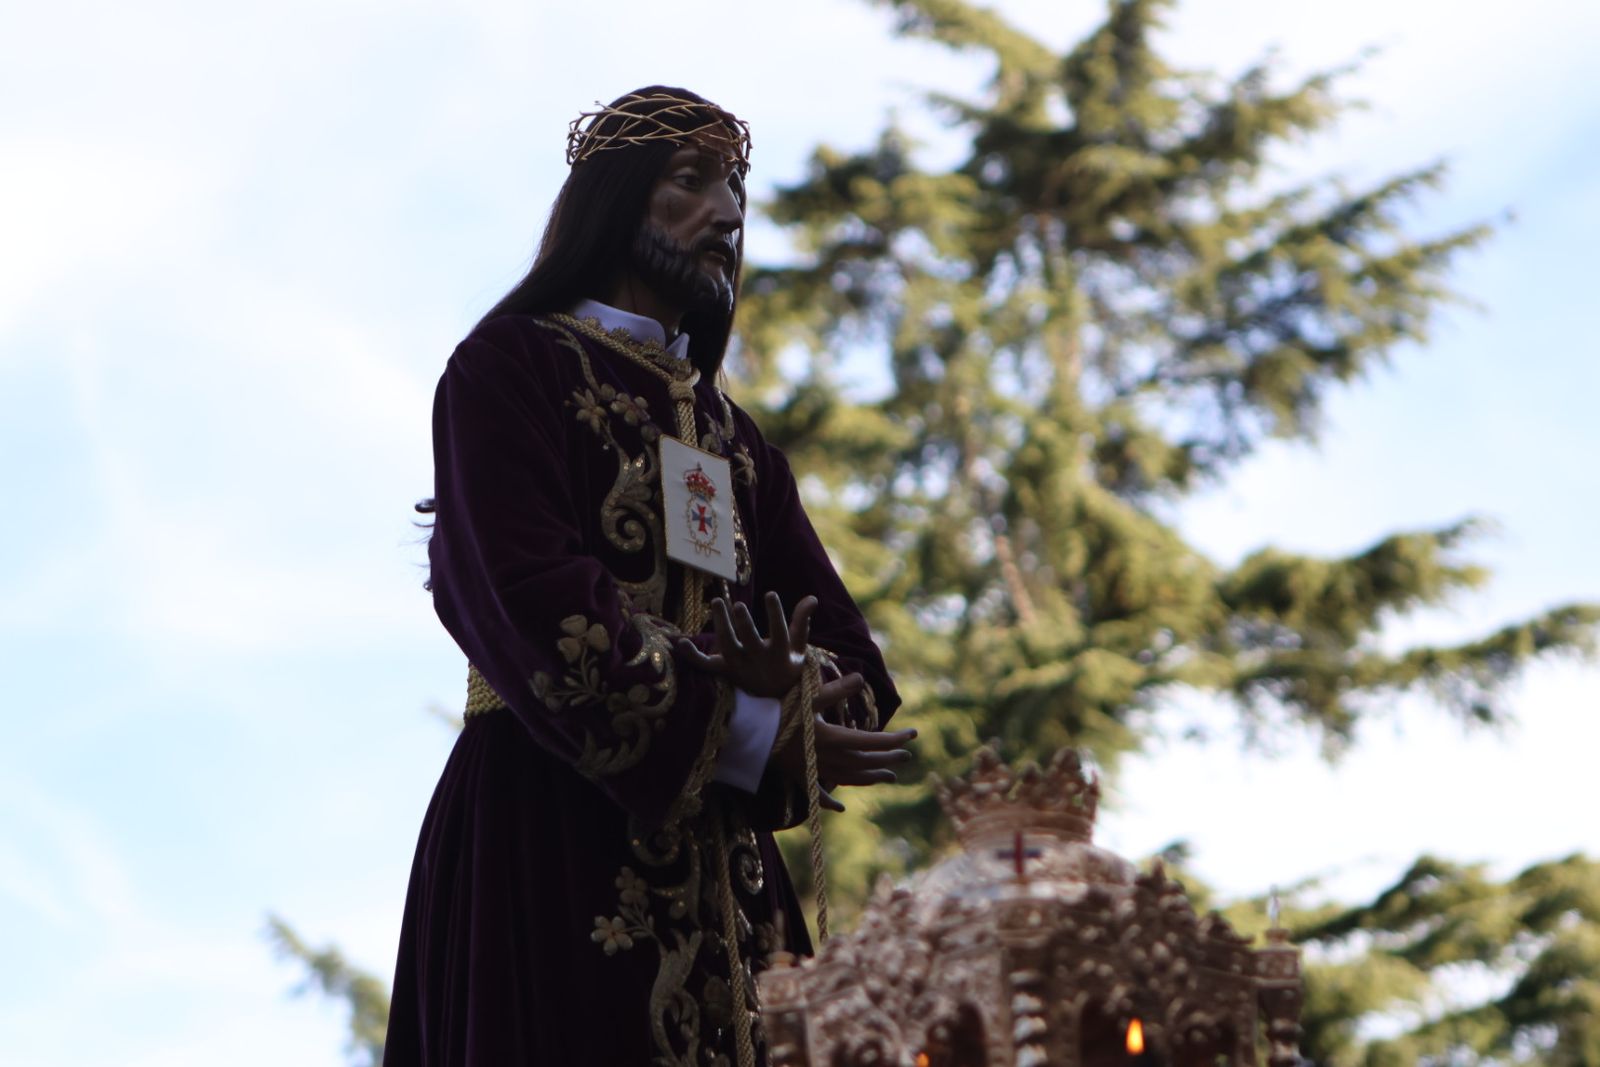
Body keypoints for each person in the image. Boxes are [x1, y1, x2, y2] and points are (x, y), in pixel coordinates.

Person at [382, 87, 914, 1067]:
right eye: (691, 181)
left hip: (734, 884)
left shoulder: (738, 445)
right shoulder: (508, 368)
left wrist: (795, 697)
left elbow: (853, 663)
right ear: (617, 200)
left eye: (736, 188)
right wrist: (745, 719)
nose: (727, 214)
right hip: (549, 831)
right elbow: (526, 592)